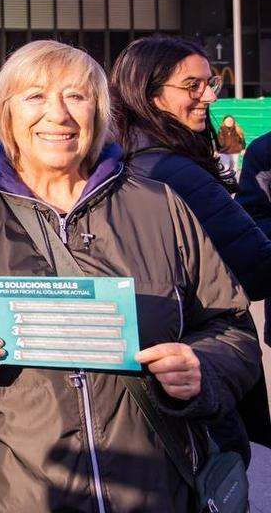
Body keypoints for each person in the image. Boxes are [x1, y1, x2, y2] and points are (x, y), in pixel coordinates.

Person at [0, 40, 260, 512]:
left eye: (76, 96)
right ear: (5, 113)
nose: (58, 114)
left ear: (99, 111)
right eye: (35, 96)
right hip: (12, 494)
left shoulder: (158, 206)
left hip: (155, 491)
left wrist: (201, 366)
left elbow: (232, 326)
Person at [111, 35, 271, 457]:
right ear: (150, 93)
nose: (210, 95)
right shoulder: (176, 170)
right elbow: (257, 269)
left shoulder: (116, 162)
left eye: (210, 82)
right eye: (193, 86)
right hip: (197, 358)